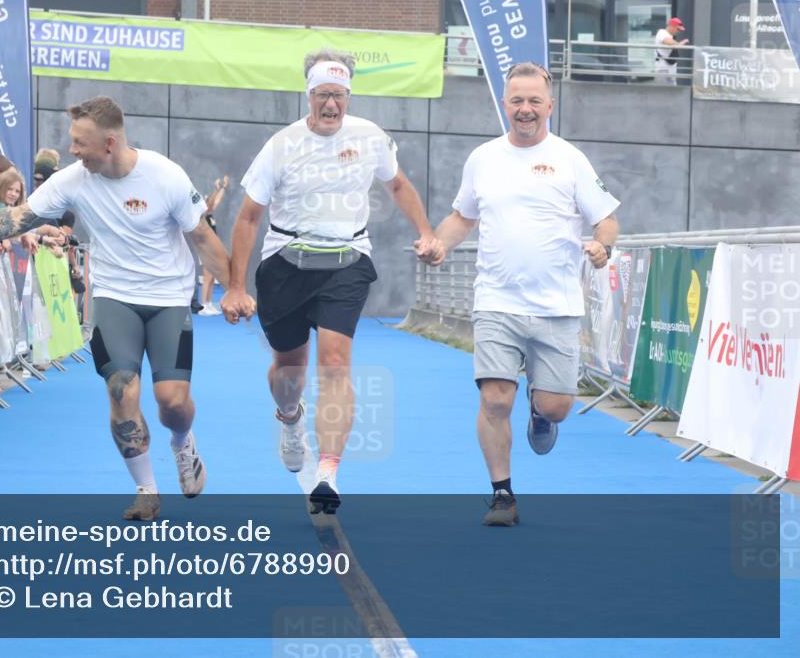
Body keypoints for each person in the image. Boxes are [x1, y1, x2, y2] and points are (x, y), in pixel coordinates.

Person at [0, 95, 234, 521]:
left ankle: (183, 442)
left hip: (168, 301)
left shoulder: (166, 176)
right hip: (114, 299)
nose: (72, 150)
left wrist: (234, 288)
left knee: (171, 402)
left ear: (110, 142)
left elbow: (203, 240)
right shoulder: (72, 179)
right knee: (122, 391)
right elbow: (18, 218)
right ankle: (146, 490)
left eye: (80, 142)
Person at [221, 48, 444, 515]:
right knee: (290, 370)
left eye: (339, 95)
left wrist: (426, 232)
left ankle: (328, 472)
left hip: (346, 260)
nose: (331, 105)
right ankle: (289, 419)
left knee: (337, 362)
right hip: (285, 261)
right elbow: (247, 218)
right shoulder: (281, 146)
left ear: (348, 96)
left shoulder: (369, 137)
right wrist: (236, 287)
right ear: (309, 95)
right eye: (323, 94)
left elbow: (398, 185)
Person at [431, 62, 620, 527]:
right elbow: (463, 217)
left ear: (550, 106)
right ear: (505, 104)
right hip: (496, 300)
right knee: (495, 399)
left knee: (557, 406)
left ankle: (540, 413)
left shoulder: (570, 159)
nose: (526, 109)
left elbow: (607, 217)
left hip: (556, 306)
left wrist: (603, 246)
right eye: (517, 100)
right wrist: (438, 242)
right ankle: (502, 496)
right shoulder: (483, 158)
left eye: (535, 100)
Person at [199, 175, 230, 316]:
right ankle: (203, 304)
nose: (213, 206)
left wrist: (223, 188)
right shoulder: (204, 215)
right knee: (207, 277)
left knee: (211, 276)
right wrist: (216, 189)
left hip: (211, 250)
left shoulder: (211, 215)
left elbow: (216, 201)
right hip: (205, 250)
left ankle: (209, 302)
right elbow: (211, 203)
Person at [654, 17, 689, 86]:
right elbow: (674, 44)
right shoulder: (662, 33)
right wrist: (683, 42)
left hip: (669, 70)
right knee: (664, 93)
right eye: (678, 29)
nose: (678, 31)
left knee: (672, 93)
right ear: (672, 26)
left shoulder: (669, 35)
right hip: (663, 70)